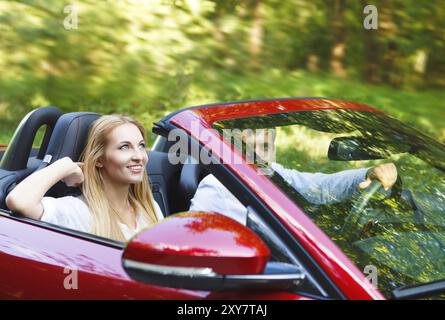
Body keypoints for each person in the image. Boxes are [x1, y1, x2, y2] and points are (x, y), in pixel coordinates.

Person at [189, 128, 398, 225]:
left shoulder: (273, 174)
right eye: (247, 148)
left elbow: (321, 187)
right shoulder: (217, 188)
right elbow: (194, 246)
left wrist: (367, 173)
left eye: (264, 146)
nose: (257, 157)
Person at [6, 115, 163, 242]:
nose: (139, 156)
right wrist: (65, 165)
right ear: (99, 160)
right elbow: (19, 201)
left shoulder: (150, 208)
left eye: (141, 145)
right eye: (124, 147)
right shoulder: (78, 212)